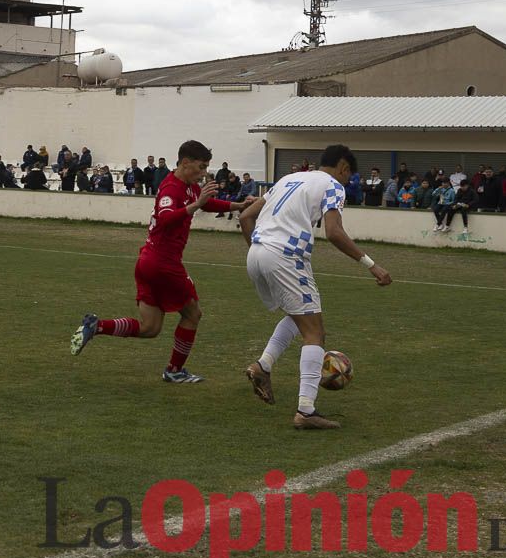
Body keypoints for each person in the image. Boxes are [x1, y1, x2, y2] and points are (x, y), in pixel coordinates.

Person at [69, 140, 254, 383]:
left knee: (150, 328)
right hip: (163, 264)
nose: (202, 173)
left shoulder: (188, 186)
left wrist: (237, 205)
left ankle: (97, 326)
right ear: (185, 163)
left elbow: (205, 203)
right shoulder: (171, 188)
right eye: (200, 167)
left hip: (148, 261)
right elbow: (167, 218)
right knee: (193, 314)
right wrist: (196, 204)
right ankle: (175, 370)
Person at [238, 144, 392, 429]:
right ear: (344, 169)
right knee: (315, 333)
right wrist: (371, 264)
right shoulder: (333, 185)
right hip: (285, 255)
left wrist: (259, 250)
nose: (348, 182)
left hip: (257, 253)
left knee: (298, 317)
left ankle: (263, 366)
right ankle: (306, 412)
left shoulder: (287, 179)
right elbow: (333, 232)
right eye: (349, 176)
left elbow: (245, 216)